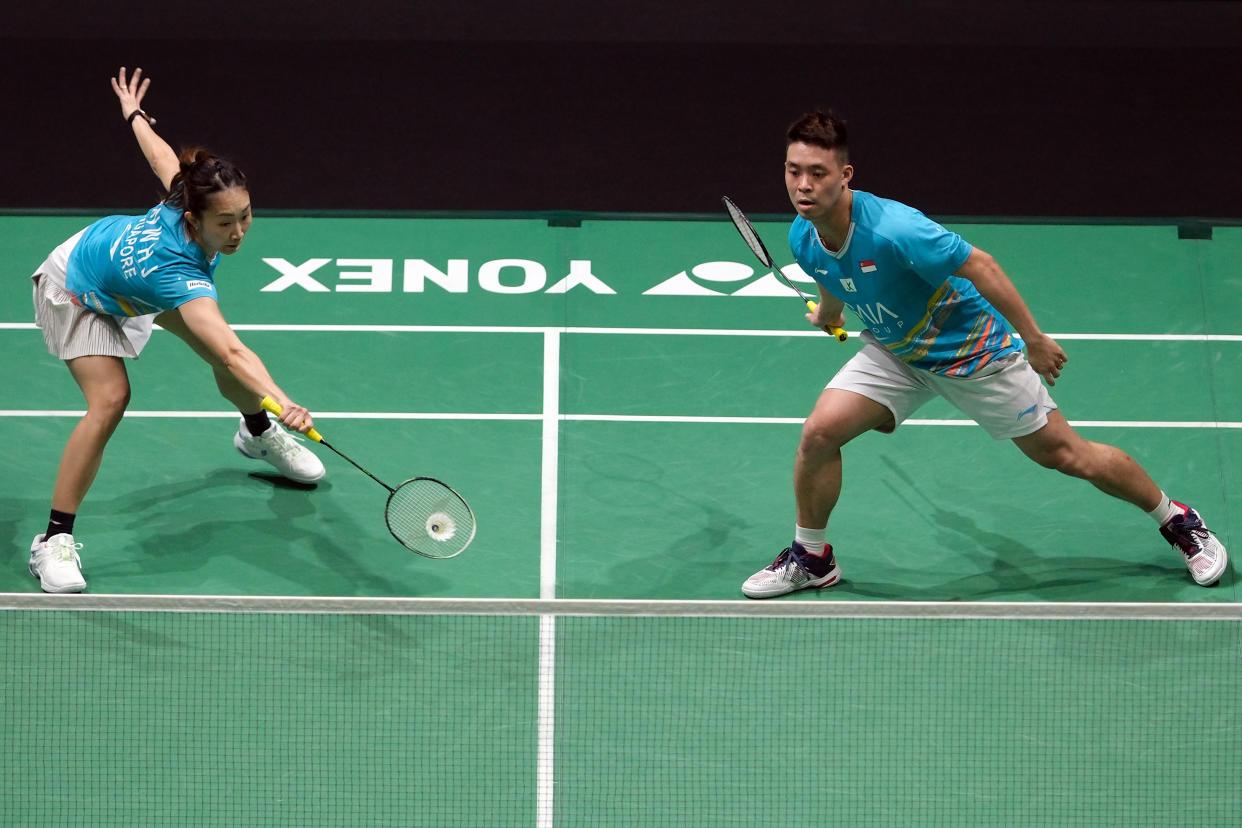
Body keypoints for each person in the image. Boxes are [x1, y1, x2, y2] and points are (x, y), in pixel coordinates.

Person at [742, 110, 1227, 598]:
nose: (802, 185)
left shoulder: (896, 229)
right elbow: (831, 276)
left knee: (1064, 454)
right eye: (793, 170)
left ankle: (1178, 519)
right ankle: (812, 557)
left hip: (972, 353)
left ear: (845, 175)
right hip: (899, 352)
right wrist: (830, 314)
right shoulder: (802, 234)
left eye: (817, 173)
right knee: (820, 432)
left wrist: (1034, 340)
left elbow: (983, 266)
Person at [26, 67, 325, 594]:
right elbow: (234, 351)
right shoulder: (180, 273)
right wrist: (285, 399)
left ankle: (256, 435)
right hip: (77, 287)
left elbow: (164, 158)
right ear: (194, 218)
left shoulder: (183, 194)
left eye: (245, 216)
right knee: (112, 399)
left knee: (215, 356)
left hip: (130, 281)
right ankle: (53, 541)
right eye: (224, 223)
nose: (237, 233)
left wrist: (134, 115)